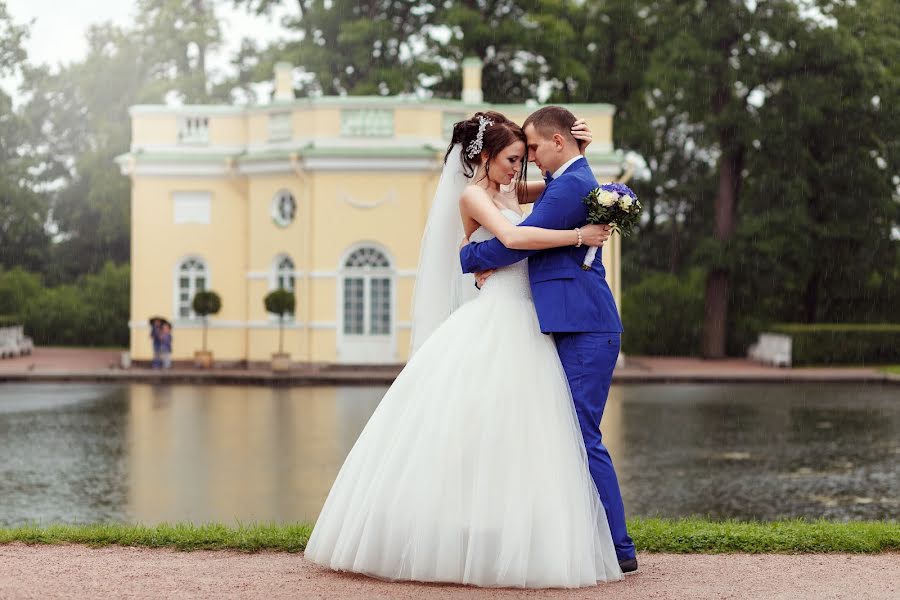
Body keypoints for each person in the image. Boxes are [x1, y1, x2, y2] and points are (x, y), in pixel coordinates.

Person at [305, 111, 622, 588]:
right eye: (514, 158)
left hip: (529, 326)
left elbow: (568, 188)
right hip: (497, 318)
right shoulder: (472, 194)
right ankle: (452, 534)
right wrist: (580, 237)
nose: (522, 167)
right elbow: (515, 237)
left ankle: (508, 534)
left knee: (527, 436)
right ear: (486, 157)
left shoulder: (514, 190)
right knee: (472, 426)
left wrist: (582, 153)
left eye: (526, 156)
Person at [459, 106, 636, 573]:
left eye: (533, 149)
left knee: (581, 436)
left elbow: (512, 241)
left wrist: (469, 256)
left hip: (583, 326)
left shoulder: (571, 184)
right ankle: (567, 538)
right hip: (561, 324)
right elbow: (517, 212)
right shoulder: (565, 181)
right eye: (518, 154)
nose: (527, 161)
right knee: (553, 435)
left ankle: (618, 548)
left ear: (558, 143)